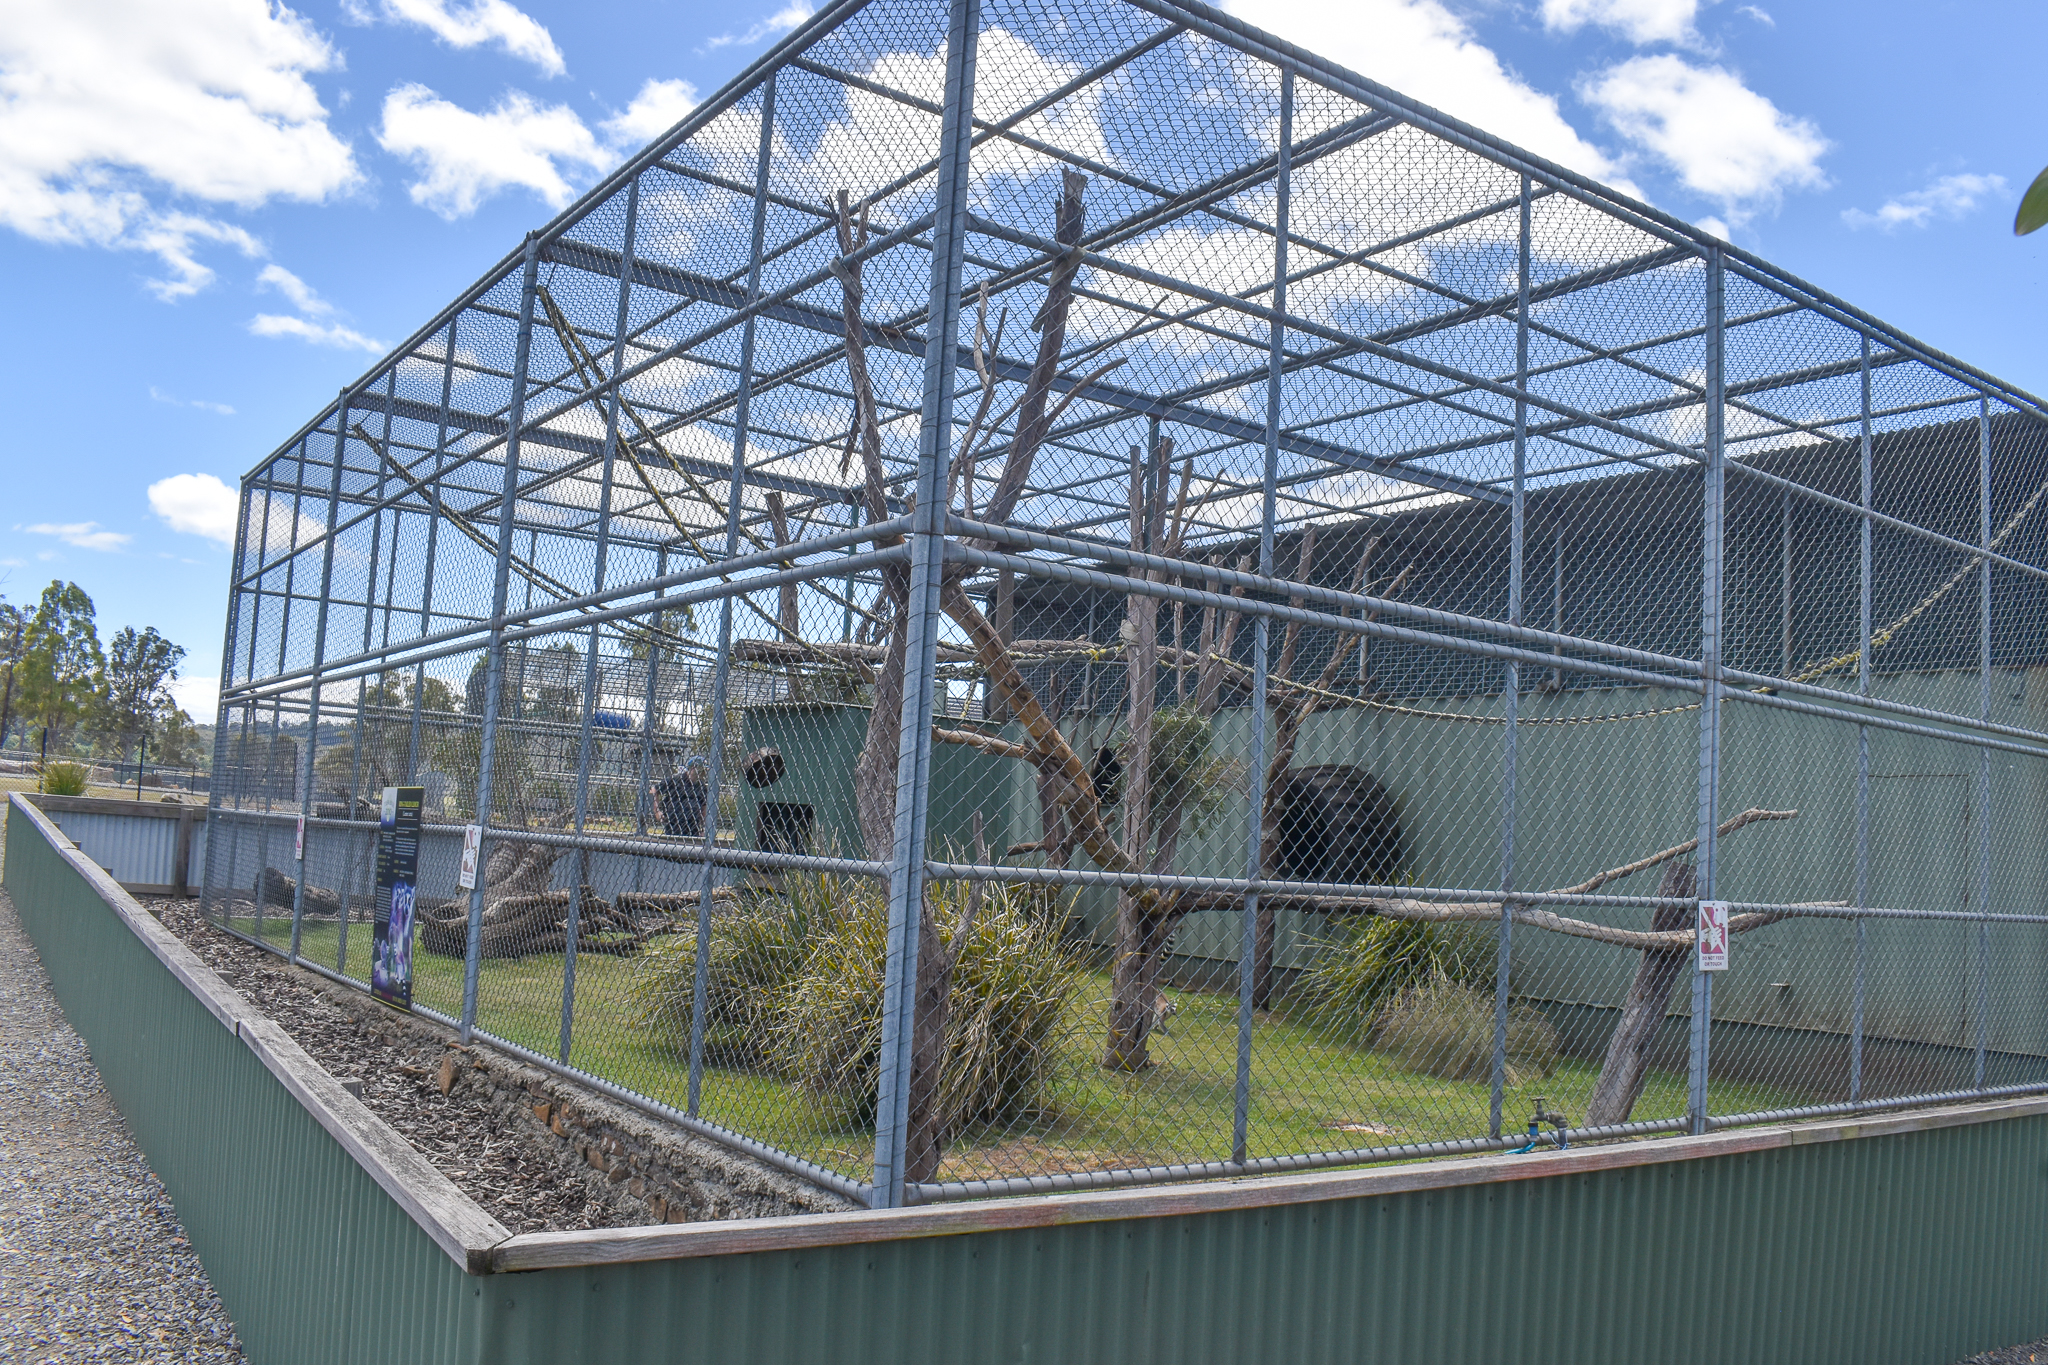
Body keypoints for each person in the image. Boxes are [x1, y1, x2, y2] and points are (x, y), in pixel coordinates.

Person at [655, 757, 709, 838]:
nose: (704, 773)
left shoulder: (702, 787)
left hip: (693, 827)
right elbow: (654, 790)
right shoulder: (675, 780)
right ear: (693, 768)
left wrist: (704, 829)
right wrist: (657, 811)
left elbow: (704, 808)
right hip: (674, 824)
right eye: (702, 770)